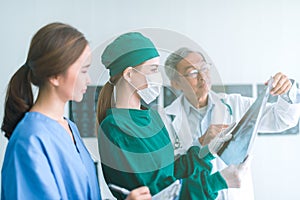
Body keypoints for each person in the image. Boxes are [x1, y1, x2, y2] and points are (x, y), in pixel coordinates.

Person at [1, 22, 151, 200]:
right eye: (83, 71)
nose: (87, 80)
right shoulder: (29, 141)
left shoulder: (69, 128)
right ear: (55, 76)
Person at [97, 32, 250, 200]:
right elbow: (157, 193)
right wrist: (218, 182)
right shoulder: (116, 127)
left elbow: (171, 173)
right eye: (153, 69)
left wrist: (206, 149)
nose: (159, 77)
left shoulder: (152, 118)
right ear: (129, 75)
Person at [163, 47, 300, 200]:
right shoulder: (165, 120)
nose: (203, 76)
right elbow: (167, 175)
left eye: (204, 68)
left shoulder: (235, 104)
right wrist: (201, 144)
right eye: (193, 72)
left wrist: (288, 92)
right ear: (175, 83)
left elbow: (281, 119)